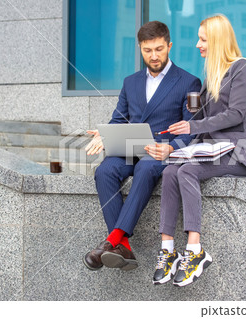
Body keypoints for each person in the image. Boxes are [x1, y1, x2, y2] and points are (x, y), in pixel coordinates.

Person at [83, 21, 201, 271]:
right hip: (129, 148)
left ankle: (112, 241)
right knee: (104, 171)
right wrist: (105, 135)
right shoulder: (130, 82)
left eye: (159, 49)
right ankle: (122, 245)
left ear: (169, 46)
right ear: (140, 48)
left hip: (160, 151)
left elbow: (191, 126)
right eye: (148, 50)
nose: (154, 55)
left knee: (147, 169)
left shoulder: (189, 82)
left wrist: (171, 148)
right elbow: (118, 118)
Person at [152, 14, 246, 287]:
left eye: (202, 39)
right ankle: (167, 249)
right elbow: (198, 125)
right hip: (211, 150)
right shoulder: (210, 76)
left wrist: (194, 125)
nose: (197, 44)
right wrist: (174, 145)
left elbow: (235, 115)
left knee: (187, 170)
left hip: (238, 152)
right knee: (171, 171)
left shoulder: (242, 68)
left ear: (217, 40)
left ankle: (195, 250)